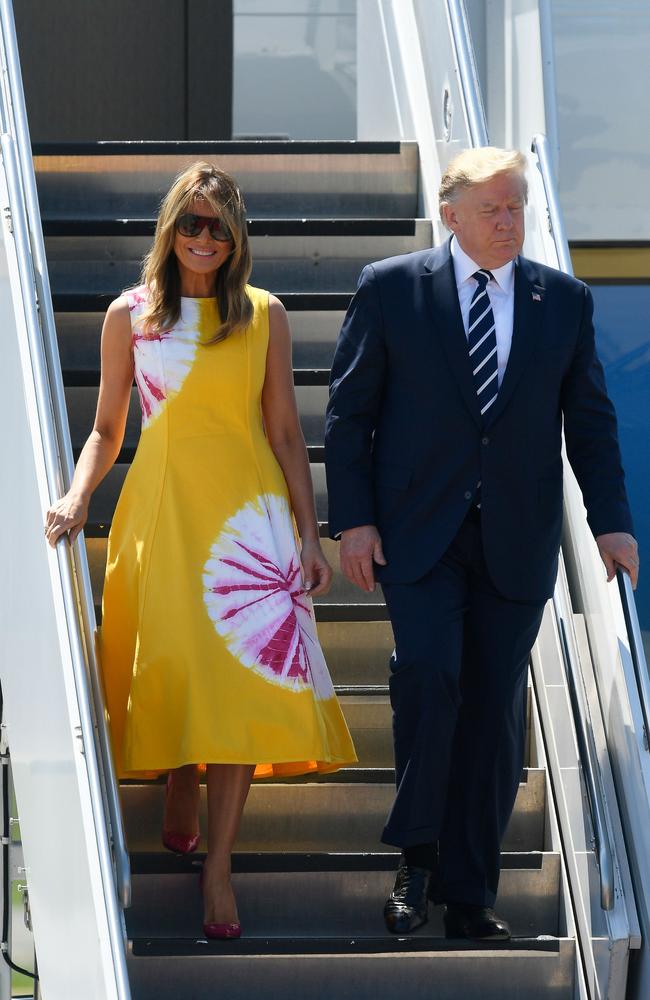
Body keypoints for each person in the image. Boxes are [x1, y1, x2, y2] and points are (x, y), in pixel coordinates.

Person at [324, 146, 639, 940]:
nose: (509, 222)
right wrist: (352, 521)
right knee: (428, 677)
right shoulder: (391, 289)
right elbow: (349, 415)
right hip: (417, 536)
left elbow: (591, 422)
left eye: (517, 207)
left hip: (514, 538)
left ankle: (469, 894)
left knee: (494, 710)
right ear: (452, 211)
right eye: (493, 208)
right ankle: (416, 858)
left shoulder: (561, 300)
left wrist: (612, 521)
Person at [45, 161, 356, 940]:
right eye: (191, 222)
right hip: (163, 512)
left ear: (237, 233)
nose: (204, 238)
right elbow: (107, 431)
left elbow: (286, 430)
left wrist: (308, 533)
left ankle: (219, 867)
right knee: (178, 664)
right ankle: (180, 773)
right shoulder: (131, 315)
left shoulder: (263, 314)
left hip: (249, 523)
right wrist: (78, 496)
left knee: (240, 689)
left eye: (219, 224)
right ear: (169, 229)